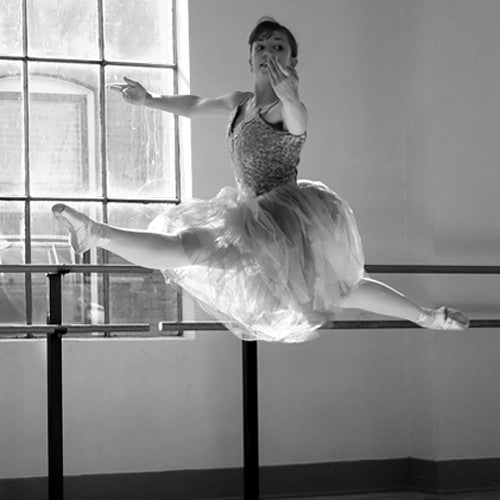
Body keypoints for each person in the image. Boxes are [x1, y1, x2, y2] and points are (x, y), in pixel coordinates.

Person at [52, 17, 469, 343]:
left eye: (278, 46)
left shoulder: (286, 110)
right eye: (260, 47)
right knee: (182, 249)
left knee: (342, 290)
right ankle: (96, 233)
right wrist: (149, 100)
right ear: (250, 59)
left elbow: (299, 119)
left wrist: (290, 95)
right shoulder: (241, 102)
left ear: (292, 61)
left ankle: (428, 316)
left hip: (286, 221)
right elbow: (196, 104)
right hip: (246, 212)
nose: (268, 52)